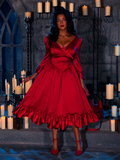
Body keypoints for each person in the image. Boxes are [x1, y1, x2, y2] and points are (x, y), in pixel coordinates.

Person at [13, 6, 100, 156]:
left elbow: (77, 64)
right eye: (58, 20)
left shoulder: (77, 40)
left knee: (72, 110)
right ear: (56, 23)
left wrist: (82, 83)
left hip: (69, 77)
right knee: (54, 110)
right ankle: (55, 143)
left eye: (63, 19)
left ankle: (78, 144)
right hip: (52, 76)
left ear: (67, 21)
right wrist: (33, 76)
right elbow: (46, 59)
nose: (61, 22)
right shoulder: (50, 39)